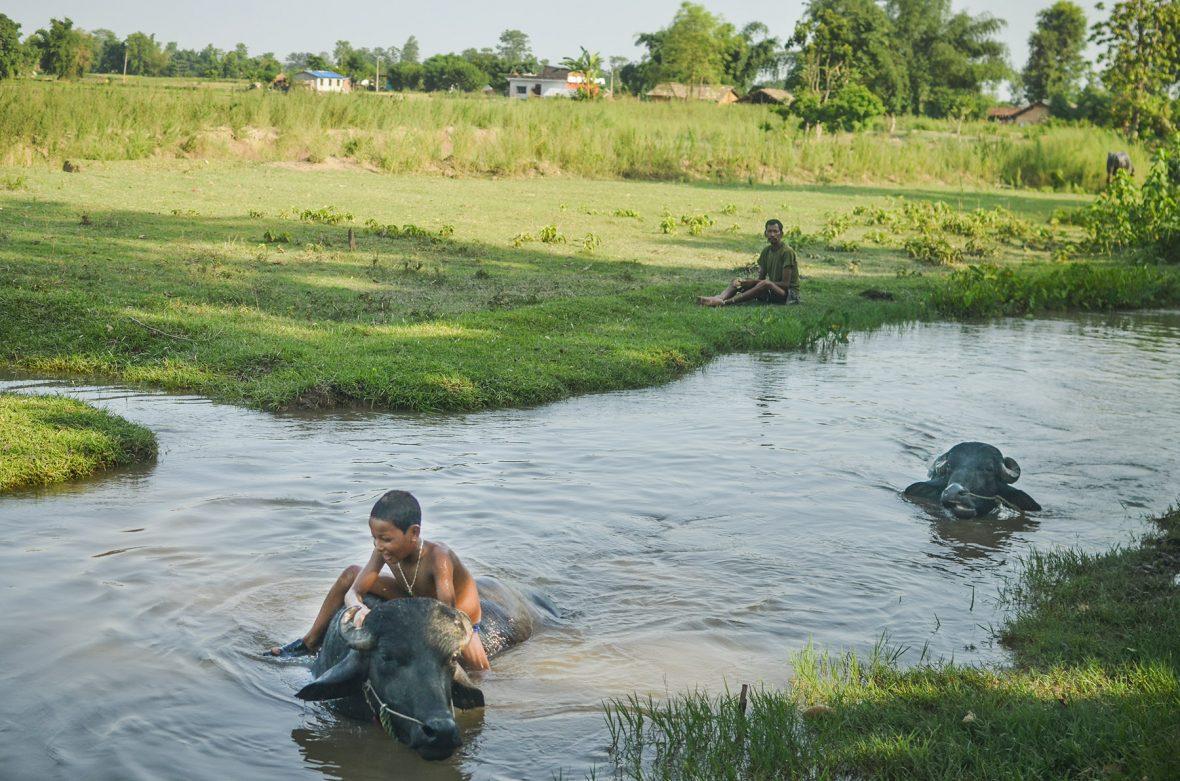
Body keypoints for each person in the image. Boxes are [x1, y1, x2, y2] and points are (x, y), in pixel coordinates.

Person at [269, 490, 491, 670]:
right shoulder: (383, 551)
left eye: (385, 539)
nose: (378, 545)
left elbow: (447, 613)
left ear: (413, 533)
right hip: (415, 597)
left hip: (457, 617)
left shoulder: (438, 558)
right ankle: (309, 642)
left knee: (480, 671)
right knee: (351, 573)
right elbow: (353, 591)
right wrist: (357, 607)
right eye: (374, 538)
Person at [697, 219, 800, 307]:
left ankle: (726, 303)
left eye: (775, 231)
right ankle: (719, 298)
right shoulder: (766, 251)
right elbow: (760, 278)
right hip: (772, 290)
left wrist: (755, 283)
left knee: (765, 283)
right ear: (765, 233)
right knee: (738, 281)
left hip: (788, 295)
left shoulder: (787, 252)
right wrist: (746, 282)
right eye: (769, 231)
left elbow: (785, 284)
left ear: (781, 234)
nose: (772, 234)